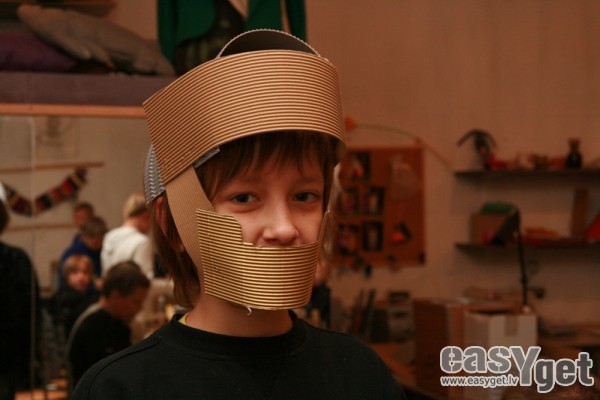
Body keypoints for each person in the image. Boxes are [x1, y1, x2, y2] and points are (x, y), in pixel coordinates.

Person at [70, 29, 406, 399]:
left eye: (304, 196)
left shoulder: (359, 375)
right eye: (245, 198)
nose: (284, 228)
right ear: (172, 223)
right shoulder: (120, 389)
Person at [67, 260, 150, 389]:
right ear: (115, 296)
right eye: (136, 302)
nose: (140, 308)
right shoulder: (94, 327)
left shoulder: (116, 321)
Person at [0, 197, 40, 399]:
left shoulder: (16, 259)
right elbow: (31, 315)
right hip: (9, 356)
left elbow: (29, 313)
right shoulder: (16, 258)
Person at [101, 192, 154, 279]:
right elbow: (145, 281)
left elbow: (105, 276)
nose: (151, 226)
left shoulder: (108, 237)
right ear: (146, 216)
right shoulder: (141, 241)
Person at [49, 254, 99, 338]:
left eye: (85, 272)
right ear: (67, 276)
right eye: (75, 273)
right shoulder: (61, 298)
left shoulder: (93, 297)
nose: (81, 277)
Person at [57, 215, 106, 291]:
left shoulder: (104, 250)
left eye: (100, 239)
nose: (97, 243)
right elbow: (67, 281)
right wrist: (94, 286)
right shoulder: (73, 252)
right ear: (83, 236)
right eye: (92, 239)